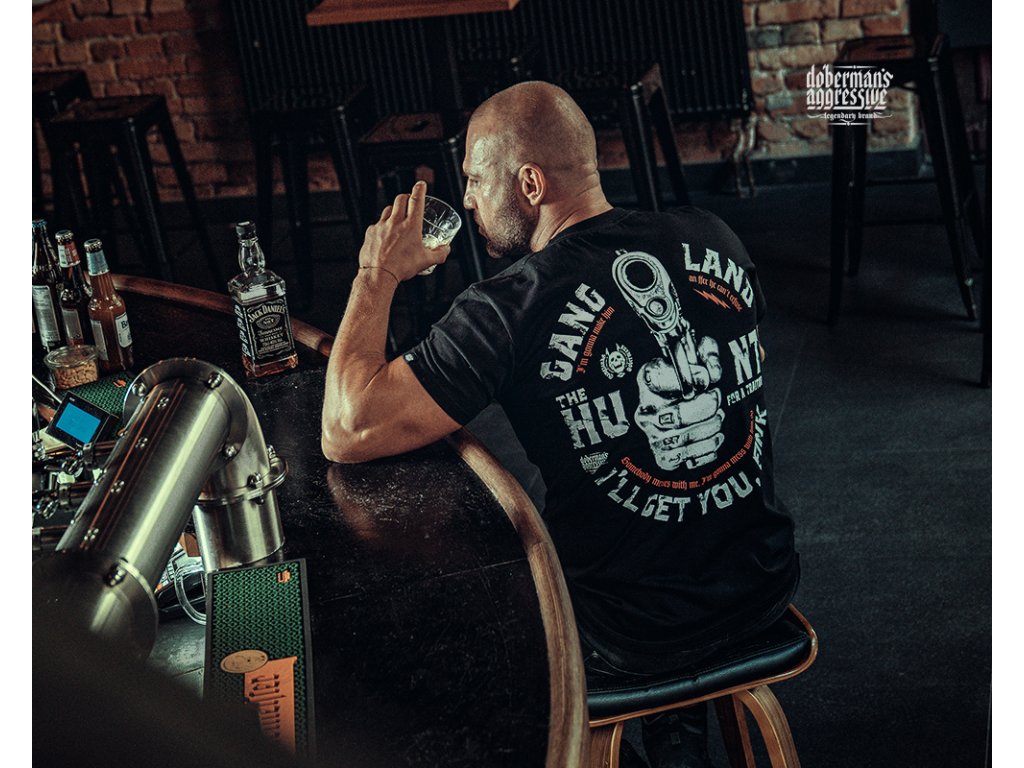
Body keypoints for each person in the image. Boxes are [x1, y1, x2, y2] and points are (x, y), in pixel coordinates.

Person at [321, 81, 799, 768]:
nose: (471, 201)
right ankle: (676, 726)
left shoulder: (509, 307)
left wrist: (377, 272)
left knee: (456, 608)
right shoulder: (713, 238)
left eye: (475, 180)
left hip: (623, 629)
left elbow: (347, 427)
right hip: (762, 583)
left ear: (530, 183)